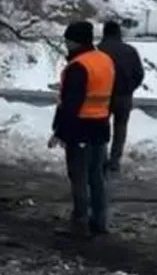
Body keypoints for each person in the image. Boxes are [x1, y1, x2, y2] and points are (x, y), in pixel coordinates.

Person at [47, 21, 115, 238]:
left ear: (74, 41)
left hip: (80, 129)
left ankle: (80, 222)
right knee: (97, 176)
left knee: (79, 177)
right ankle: (99, 221)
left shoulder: (78, 66)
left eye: (67, 40)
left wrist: (60, 132)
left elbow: (71, 104)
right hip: (101, 126)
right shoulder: (104, 60)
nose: (66, 44)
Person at [97, 20, 145, 174]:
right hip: (123, 97)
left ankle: (101, 159)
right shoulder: (130, 51)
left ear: (104, 33)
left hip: (101, 97)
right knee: (120, 128)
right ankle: (114, 160)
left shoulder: (97, 51)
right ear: (119, 33)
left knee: (101, 127)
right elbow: (139, 74)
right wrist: (129, 88)